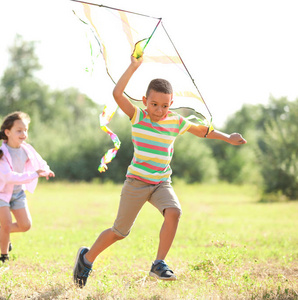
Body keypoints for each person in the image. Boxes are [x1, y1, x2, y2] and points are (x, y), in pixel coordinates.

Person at [73, 55, 247, 287]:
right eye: (154, 104)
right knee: (119, 232)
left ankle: (159, 263)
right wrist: (134, 66)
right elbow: (117, 95)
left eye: (165, 105)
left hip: (161, 183)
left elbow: (201, 130)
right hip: (136, 182)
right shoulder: (138, 116)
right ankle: (86, 258)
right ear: (145, 101)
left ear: (171, 103)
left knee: (174, 212)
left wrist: (227, 137)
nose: (159, 110)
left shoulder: (175, 121)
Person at [0, 111, 55, 263]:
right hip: (1, 194)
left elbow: (39, 161)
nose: (23, 133)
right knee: (6, 224)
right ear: (7, 132)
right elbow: (8, 177)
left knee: (25, 225)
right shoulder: (1, 155)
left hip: (18, 194)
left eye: (25, 130)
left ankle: (1, 231)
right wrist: (34, 174)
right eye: (19, 130)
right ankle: (4, 256)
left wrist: (46, 169)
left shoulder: (27, 149)